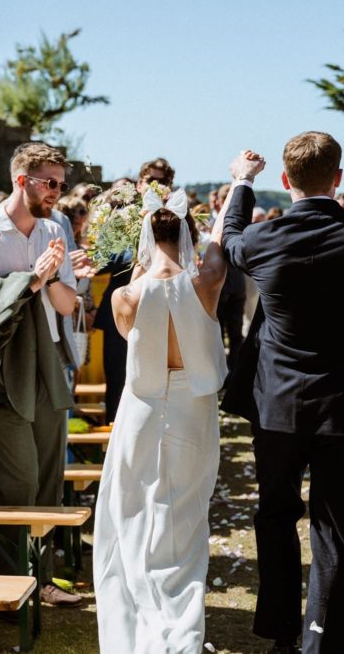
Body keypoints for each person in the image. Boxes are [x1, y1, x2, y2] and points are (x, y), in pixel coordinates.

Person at [222, 136, 344, 653]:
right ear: (338, 178)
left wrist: (241, 182)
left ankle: (282, 636)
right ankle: (322, 643)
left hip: (277, 405)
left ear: (285, 182)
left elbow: (230, 235)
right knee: (336, 529)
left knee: (275, 516)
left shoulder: (264, 240)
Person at [94, 185, 227, 652]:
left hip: (142, 412)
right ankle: (179, 635)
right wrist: (234, 194)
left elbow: (133, 332)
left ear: (143, 236)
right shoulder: (207, 281)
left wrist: (140, 261)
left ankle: (139, 626)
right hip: (193, 413)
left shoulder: (124, 295)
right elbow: (220, 243)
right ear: (189, 231)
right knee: (186, 520)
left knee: (131, 516)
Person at [0, 142, 81, 606]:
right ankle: (12, 584)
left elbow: (68, 306)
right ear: (20, 180)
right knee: (18, 478)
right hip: (2, 362)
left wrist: (50, 278)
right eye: (48, 182)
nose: (56, 191)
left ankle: (42, 578)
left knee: (50, 474)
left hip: (48, 357)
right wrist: (29, 279)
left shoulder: (54, 229)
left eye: (60, 184)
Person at [95, 158, 176, 422]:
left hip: (161, 309)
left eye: (162, 181)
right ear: (139, 184)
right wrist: (138, 259)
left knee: (155, 376)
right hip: (122, 304)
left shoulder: (176, 217)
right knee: (117, 375)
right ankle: (113, 437)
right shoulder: (120, 216)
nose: (156, 186)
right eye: (151, 180)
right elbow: (103, 259)